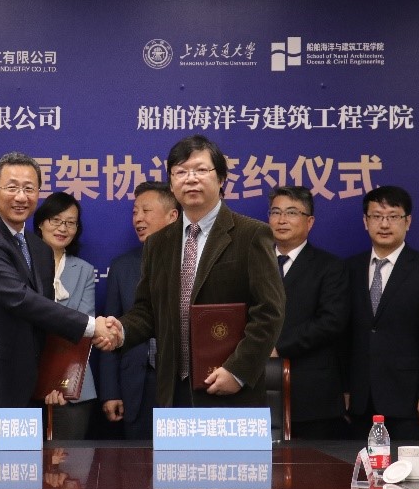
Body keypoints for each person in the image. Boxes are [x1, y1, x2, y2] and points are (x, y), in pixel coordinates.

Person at [112, 135, 286, 408]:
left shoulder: (251, 234)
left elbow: (269, 312)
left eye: (201, 170)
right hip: (173, 391)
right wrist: (120, 330)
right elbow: (147, 311)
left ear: (221, 178)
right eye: (181, 172)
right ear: (172, 183)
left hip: (228, 390)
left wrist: (238, 371)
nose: (191, 179)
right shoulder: (158, 244)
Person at [0, 151, 118, 409]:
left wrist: (56, 377)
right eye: (12, 187)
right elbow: (20, 299)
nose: (21, 197)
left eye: (29, 188)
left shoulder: (39, 249)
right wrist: (93, 326)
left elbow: (44, 316)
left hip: (28, 378)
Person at [345, 185, 419, 441]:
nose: (384, 224)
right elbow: (343, 335)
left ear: (408, 221)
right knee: (358, 465)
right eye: (376, 216)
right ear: (365, 221)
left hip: (408, 400)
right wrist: (345, 387)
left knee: (410, 465)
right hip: (360, 400)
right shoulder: (349, 268)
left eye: (393, 216)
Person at [267, 185, 349, 439]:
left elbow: (331, 322)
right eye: (276, 212)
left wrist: (277, 347)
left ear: (309, 221)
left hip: (311, 394)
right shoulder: (252, 262)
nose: (282, 220)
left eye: (292, 212)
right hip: (257, 390)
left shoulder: (330, 267)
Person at [99, 181, 179, 439]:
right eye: (135, 212)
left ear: (173, 216)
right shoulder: (122, 267)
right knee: (137, 460)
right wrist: (110, 391)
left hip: (181, 381)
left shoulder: (193, 262)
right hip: (136, 384)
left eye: (146, 211)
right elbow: (110, 330)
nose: (138, 219)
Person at [33, 192, 98, 439]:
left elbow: (82, 326)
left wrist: (58, 380)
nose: (63, 228)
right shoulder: (22, 264)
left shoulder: (84, 271)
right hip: (27, 379)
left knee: (71, 463)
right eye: (56, 220)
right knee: (25, 461)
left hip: (72, 382)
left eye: (70, 223)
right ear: (41, 222)